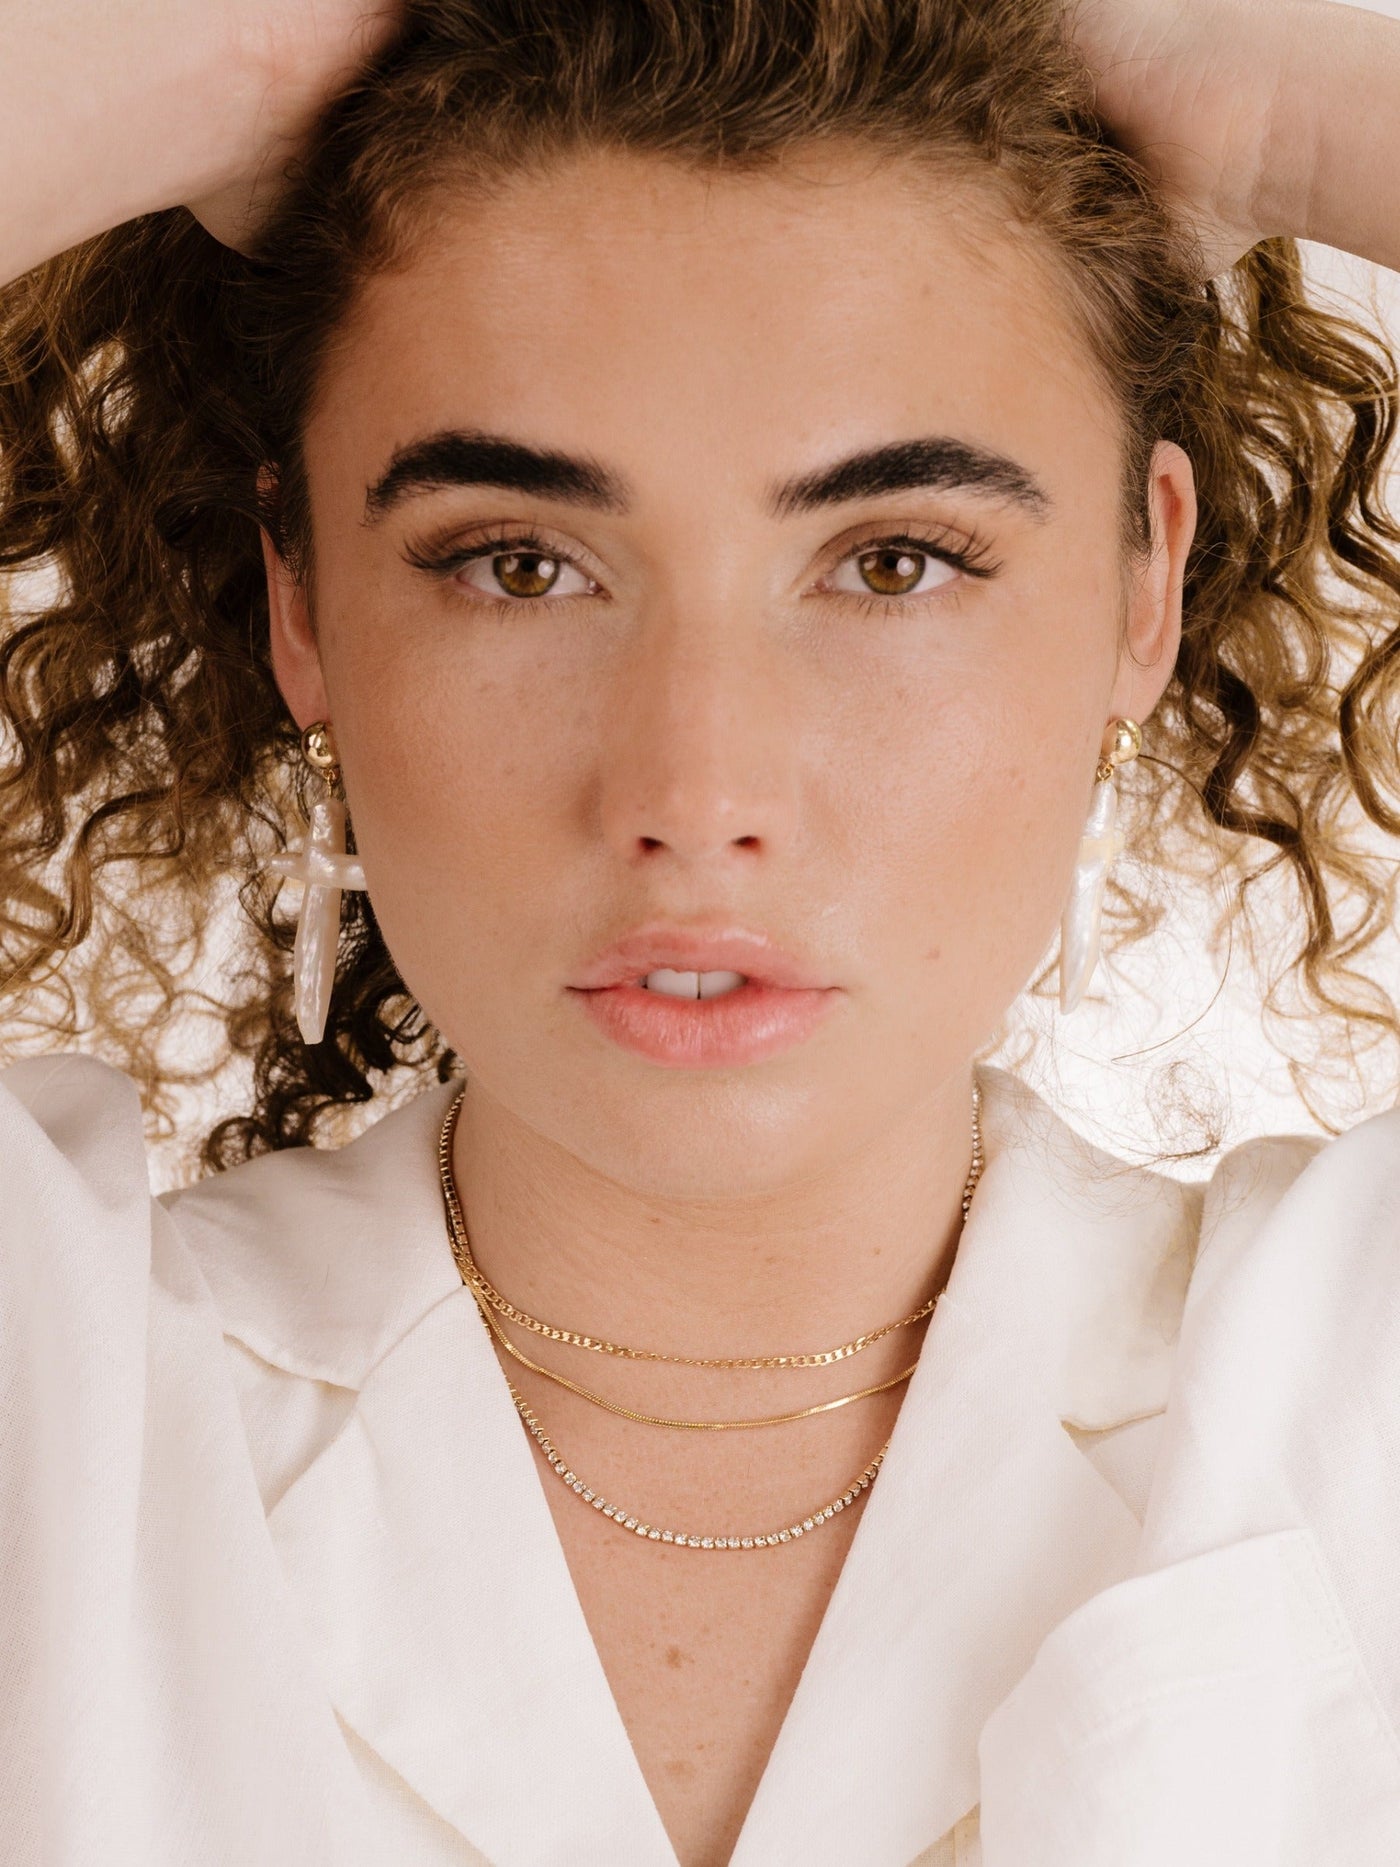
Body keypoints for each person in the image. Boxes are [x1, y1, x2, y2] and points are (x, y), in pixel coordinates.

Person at [3, 1, 1400, 1862]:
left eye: (892, 559)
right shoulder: (59, 1397)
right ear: (302, 593)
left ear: (1145, 581)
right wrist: (232, 56)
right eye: (519, 563)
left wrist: (1276, 108)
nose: (698, 784)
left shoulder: (1346, 1390)